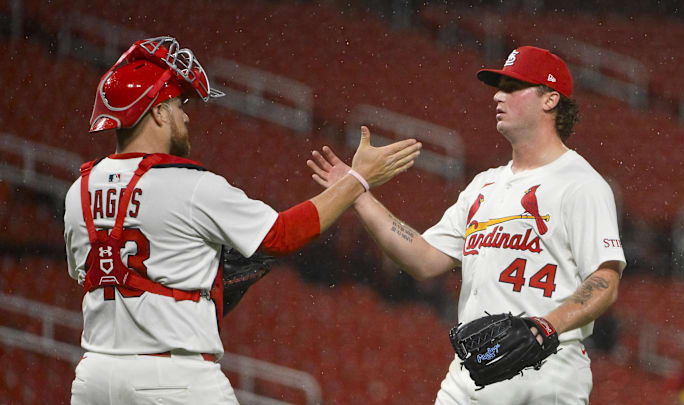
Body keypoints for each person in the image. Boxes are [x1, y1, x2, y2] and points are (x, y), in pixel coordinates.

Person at [63, 36, 421, 405]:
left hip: (94, 378)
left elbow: (98, 273)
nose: (185, 115)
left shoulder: (78, 191)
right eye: (177, 104)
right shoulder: (191, 186)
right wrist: (357, 180)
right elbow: (281, 235)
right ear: (157, 112)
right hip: (172, 379)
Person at [308, 45, 626, 404]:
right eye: (499, 86)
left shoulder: (582, 184)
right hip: (473, 371)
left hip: (547, 373)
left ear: (550, 99)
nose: (498, 96)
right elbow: (424, 259)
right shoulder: (484, 185)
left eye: (512, 87)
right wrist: (357, 192)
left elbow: (604, 280)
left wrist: (547, 326)